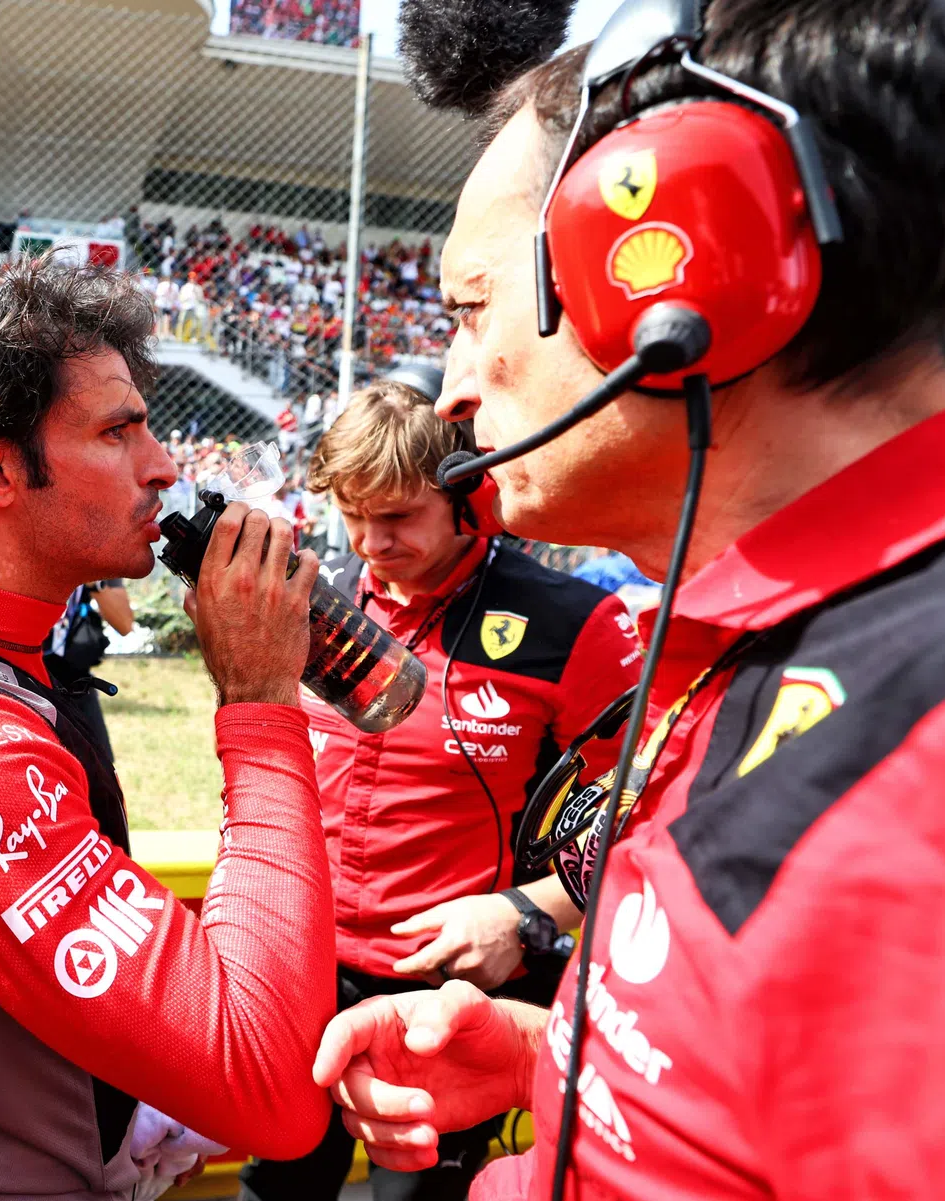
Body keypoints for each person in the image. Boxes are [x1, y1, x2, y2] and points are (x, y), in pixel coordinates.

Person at [316, 1, 945, 1198]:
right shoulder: (794, 630)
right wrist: (570, 1066)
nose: (452, 390)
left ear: (679, 265)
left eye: (469, 310)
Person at [0, 257, 338, 1201]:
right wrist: (257, 702)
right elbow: (273, 1090)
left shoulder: (3, 651)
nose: (162, 464)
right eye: (117, 430)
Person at [240, 380, 639, 1201]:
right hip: (302, 972)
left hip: (444, 991)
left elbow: (640, 819)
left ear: (470, 500)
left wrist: (527, 913)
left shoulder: (572, 625)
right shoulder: (315, 599)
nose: (369, 541)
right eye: (353, 514)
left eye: (396, 516)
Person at [42, 580, 135, 765]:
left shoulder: (97, 556)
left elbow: (125, 624)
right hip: (23, 678)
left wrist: (95, 583)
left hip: (75, 683)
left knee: (102, 772)